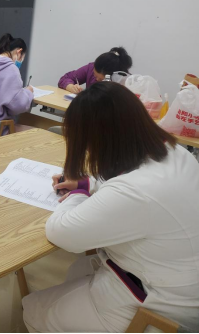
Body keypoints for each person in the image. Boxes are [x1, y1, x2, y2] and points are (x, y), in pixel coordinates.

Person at [22, 82, 199, 333]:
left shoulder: (137, 192)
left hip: (160, 310)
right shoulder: (175, 152)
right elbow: (124, 179)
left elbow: (60, 232)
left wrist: (79, 193)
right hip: (180, 285)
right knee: (79, 269)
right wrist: (87, 182)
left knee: (33, 309)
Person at [58, 47, 132, 94]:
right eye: (95, 75)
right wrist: (71, 87)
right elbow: (65, 78)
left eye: (101, 79)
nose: (96, 80)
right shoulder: (91, 68)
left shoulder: (128, 84)